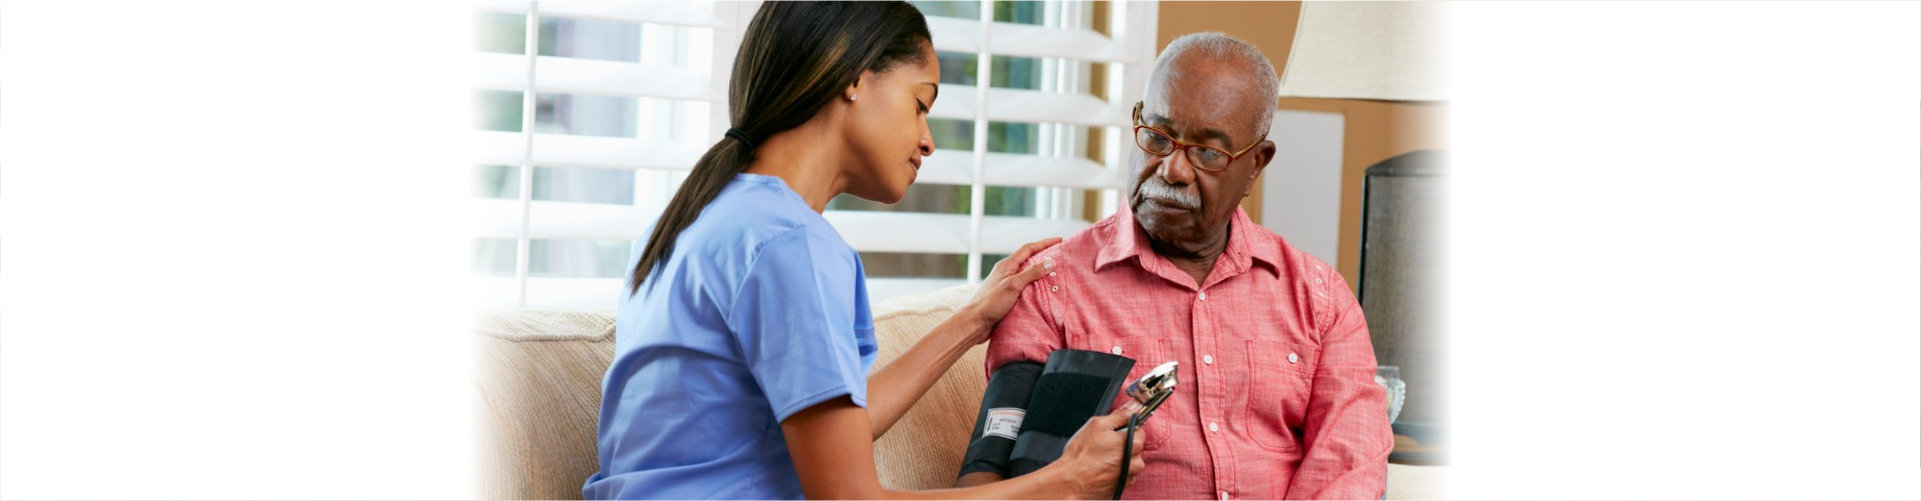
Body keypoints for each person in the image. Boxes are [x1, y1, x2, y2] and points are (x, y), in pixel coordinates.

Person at [582, 3, 1142, 499]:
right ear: (854, 78)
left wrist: (973, 320)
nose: (928, 139)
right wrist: (1061, 483)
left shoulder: (694, 221)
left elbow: (829, 431)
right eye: (921, 104)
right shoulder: (790, 246)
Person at [956, 32, 1392, 499]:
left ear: (1256, 166)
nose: (1172, 170)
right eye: (1158, 137)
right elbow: (991, 474)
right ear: (1137, 122)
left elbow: (1349, 465)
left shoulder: (1319, 298)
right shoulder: (1050, 287)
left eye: (1207, 152)